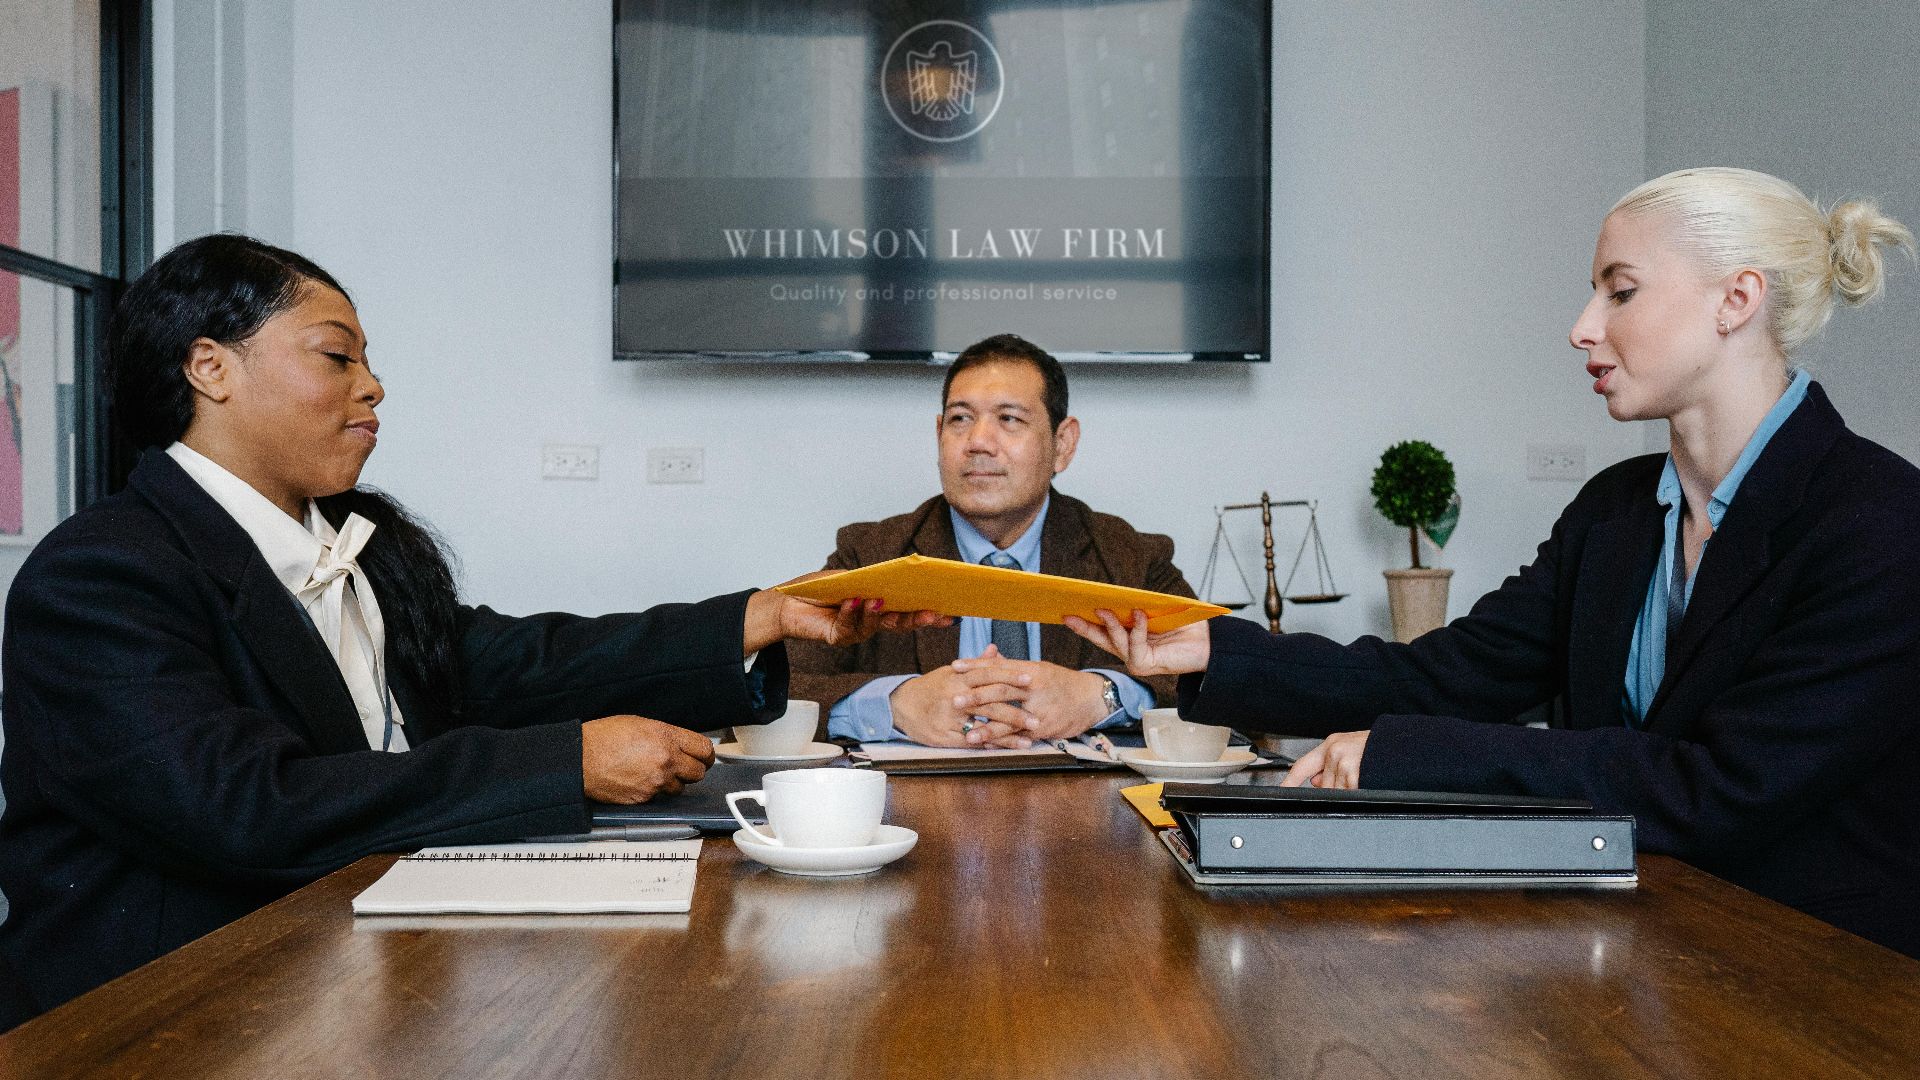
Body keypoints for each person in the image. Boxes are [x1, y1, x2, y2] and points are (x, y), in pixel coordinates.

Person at [0, 234, 941, 1022]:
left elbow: (518, 665)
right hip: (168, 1013)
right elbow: (244, 808)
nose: (374, 388)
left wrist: (757, 619)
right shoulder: (102, 575)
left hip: (359, 972)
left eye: (368, 362)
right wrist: (562, 764)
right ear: (211, 368)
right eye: (338, 356)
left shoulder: (362, 550)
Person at [1066, 167, 1920, 958]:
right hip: (1638, 948)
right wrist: (1218, 650)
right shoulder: (1615, 511)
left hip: (1820, 976)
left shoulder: (1879, 523)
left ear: (1737, 299)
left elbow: (1719, 789)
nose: (1583, 326)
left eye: (1619, 291)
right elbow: (1447, 676)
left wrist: (1405, 756)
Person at [788, 334, 1194, 749]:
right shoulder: (871, 553)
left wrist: (1100, 695)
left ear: (1063, 444)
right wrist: (895, 704)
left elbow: (1216, 672)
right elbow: (774, 687)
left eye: (1009, 419)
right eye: (960, 419)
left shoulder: (1129, 557)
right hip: (918, 808)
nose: (978, 443)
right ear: (939, 433)